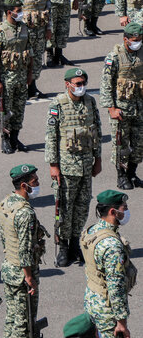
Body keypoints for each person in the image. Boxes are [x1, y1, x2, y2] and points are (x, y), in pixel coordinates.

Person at [46, 68, 102, 267]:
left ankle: (74, 245)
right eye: (77, 83)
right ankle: (62, 245)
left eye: (83, 83)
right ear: (67, 84)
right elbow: (51, 137)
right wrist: (53, 165)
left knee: (82, 206)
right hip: (66, 167)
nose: (81, 87)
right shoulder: (58, 104)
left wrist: (98, 159)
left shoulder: (90, 101)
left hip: (86, 165)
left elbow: (97, 131)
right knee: (64, 208)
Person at [0, 164, 47, 338]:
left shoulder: (7, 202)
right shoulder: (25, 213)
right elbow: (25, 249)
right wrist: (29, 277)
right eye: (35, 181)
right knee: (24, 323)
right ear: (24, 185)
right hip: (22, 273)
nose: (38, 183)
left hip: (9, 268)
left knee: (12, 318)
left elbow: (5, 237)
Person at [81, 190, 137, 338]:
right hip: (107, 309)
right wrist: (121, 322)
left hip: (92, 300)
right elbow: (115, 285)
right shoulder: (112, 245)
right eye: (124, 207)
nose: (126, 210)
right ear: (113, 211)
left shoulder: (92, 231)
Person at [100, 23, 143, 190]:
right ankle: (121, 175)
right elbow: (106, 85)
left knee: (139, 144)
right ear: (126, 39)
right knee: (121, 145)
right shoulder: (115, 57)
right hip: (121, 110)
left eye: (140, 39)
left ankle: (132, 173)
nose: (138, 42)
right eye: (134, 40)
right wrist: (111, 109)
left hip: (139, 108)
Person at [0, 0, 33, 154]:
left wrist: (30, 75)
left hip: (21, 77)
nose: (21, 13)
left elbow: (30, 53)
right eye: (18, 11)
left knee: (19, 109)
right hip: (6, 79)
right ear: (9, 12)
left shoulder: (24, 28)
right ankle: (5, 139)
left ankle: (15, 138)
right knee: (5, 111)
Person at [12, 0, 52, 99]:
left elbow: (48, 8)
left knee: (37, 60)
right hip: (25, 32)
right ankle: (22, 88)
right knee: (24, 60)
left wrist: (49, 28)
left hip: (40, 31)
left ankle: (33, 87)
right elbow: (13, 11)